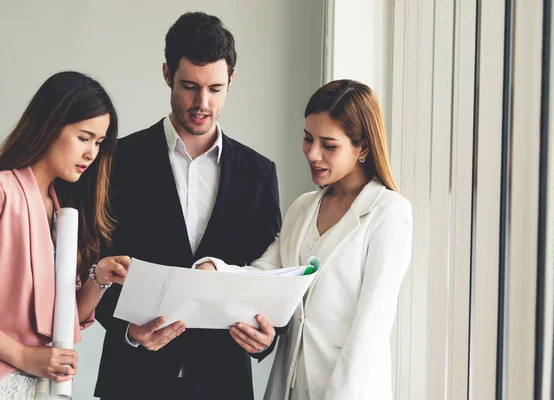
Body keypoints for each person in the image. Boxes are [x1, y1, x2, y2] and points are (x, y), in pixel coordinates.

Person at [94, 11, 282, 400]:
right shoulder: (116, 159)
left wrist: (268, 336)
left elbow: (269, 272)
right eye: (189, 87)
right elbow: (93, 265)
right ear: (166, 74)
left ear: (232, 79)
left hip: (224, 383)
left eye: (215, 88)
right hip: (132, 379)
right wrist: (128, 330)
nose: (203, 103)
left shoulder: (260, 173)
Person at [197, 79, 413, 400]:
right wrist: (215, 271)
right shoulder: (302, 207)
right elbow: (268, 276)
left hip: (347, 389)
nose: (313, 154)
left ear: (363, 147)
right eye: (307, 139)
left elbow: (371, 325)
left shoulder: (388, 212)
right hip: (290, 385)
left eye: (329, 145)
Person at [0, 71, 131, 400]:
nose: (91, 153)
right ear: (50, 124)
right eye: (84, 137)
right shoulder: (4, 193)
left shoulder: (62, 211)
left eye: (99, 143)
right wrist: (25, 356)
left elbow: (61, 315)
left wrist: (100, 278)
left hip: (40, 387)